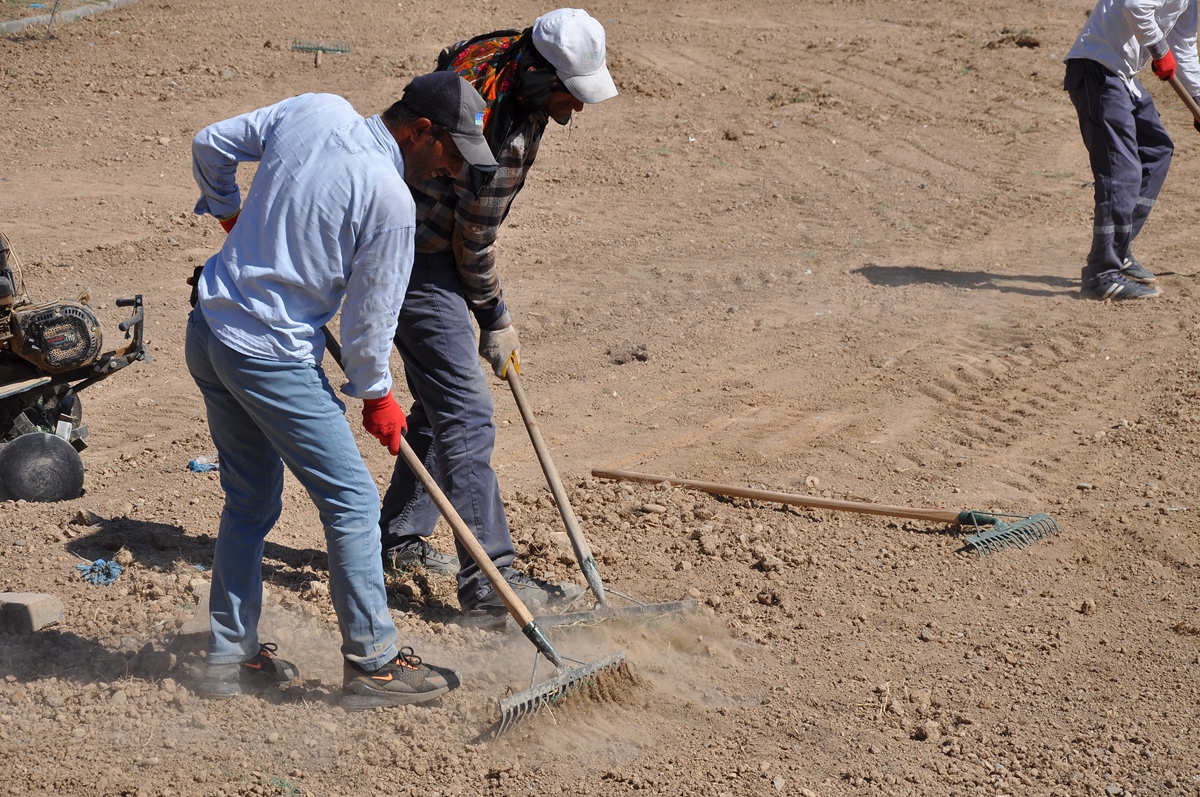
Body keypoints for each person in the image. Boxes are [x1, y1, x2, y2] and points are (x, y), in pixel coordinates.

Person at [186, 73, 497, 707]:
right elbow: (368, 320)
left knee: (248, 500)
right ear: (420, 132)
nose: (456, 170)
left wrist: (227, 210)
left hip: (211, 327)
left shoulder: (315, 109)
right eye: (453, 153)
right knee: (353, 504)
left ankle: (228, 655)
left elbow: (209, 143)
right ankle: (374, 664)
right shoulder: (390, 198)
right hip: (270, 355)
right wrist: (377, 394)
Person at [377, 8, 618, 618]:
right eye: (571, 93)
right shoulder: (501, 137)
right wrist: (494, 316)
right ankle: (490, 580)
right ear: (541, 77)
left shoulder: (492, 57)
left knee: (441, 403)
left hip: (403, 238)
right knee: (466, 411)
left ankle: (401, 539)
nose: (577, 108)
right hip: (415, 255)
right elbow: (472, 244)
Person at [1064, 0, 1200, 300]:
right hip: (1097, 68)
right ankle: (1101, 273)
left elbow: (1184, 45)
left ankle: (1117, 247)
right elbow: (1134, 5)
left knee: (1156, 150)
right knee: (1121, 170)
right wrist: (1159, 50)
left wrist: (1199, 100)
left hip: (1121, 75)